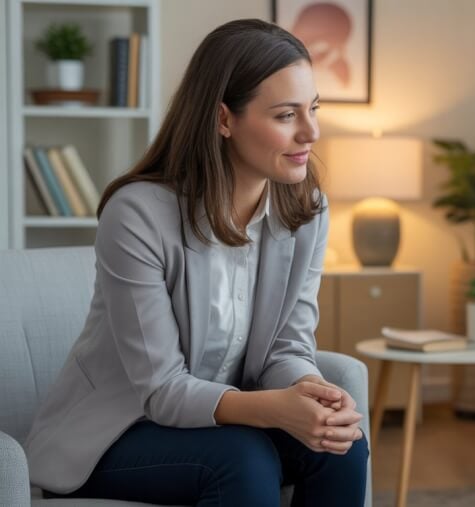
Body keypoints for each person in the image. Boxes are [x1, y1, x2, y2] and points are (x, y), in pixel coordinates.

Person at [24, 19, 367, 507]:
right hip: (118, 433)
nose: (311, 132)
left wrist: (310, 389)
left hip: (225, 426)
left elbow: (286, 345)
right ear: (224, 119)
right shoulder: (139, 214)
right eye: (286, 115)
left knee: (340, 447)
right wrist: (276, 409)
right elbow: (162, 389)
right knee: (243, 457)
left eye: (313, 109)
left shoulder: (307, 208)